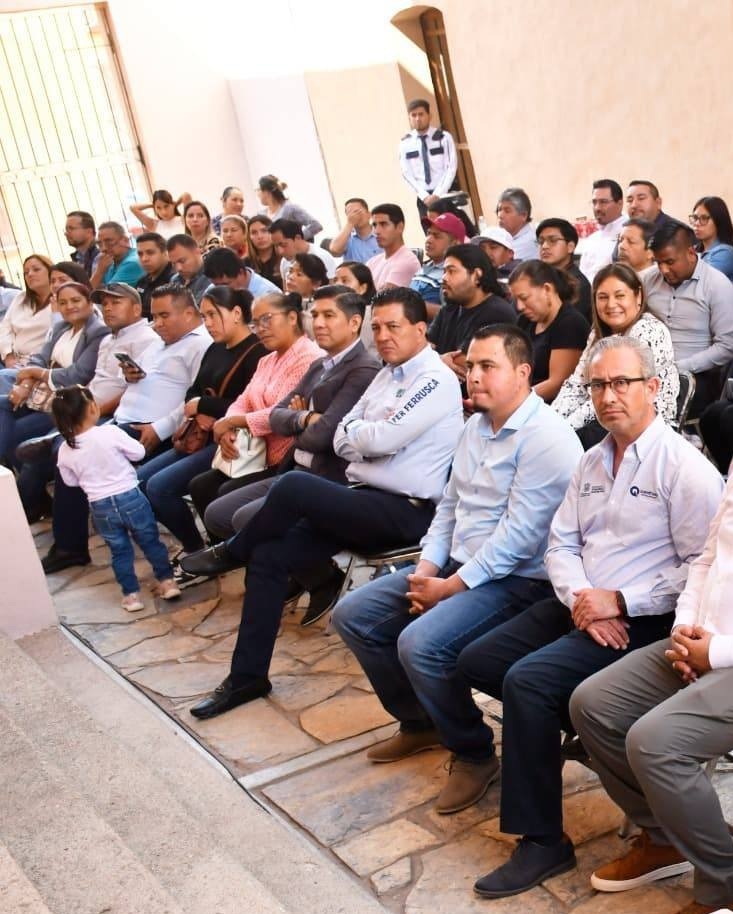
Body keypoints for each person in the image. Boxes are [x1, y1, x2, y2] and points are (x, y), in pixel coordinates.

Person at [456, 336, 722, 900]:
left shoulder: (684, 469)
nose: (608, 396)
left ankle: (541, 839)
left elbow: (698, 567)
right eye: (597, 385)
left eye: (622, 383)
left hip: (645, 618)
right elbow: (561, 543)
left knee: (528, 684)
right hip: (582, 605)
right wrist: (584, 600)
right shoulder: (592, 460)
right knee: (477, 660)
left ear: (653, 387)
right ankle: (575, 739)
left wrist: (619, 601)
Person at [180, 287, 464, 718]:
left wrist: (364, 437)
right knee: (269, 556)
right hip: (363, 499)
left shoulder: (434, 379)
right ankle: (247, 677)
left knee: (294, 486)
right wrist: (365, 437)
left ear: (421, 329)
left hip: (406, 511)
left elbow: (373, 438)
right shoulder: (387, 374)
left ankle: (231, 552)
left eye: (393, 327)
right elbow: (343, 435)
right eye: (377, 328)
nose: (383, 336)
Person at [333, 323, 582, 812]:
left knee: (421, 645)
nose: (474, 376)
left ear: (523, 372)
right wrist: (427, 570)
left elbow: (519, 539)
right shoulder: (475, 427)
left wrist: (449, 588)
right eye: (471, 366)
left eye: (489, 366)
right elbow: (449, 506)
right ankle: (421, 721)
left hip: (518, 581)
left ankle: (473, 752)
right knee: (354, 616)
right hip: (457, 564)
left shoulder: (547, 437)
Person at [570, 477, 733, 914]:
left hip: (724, 652)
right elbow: (709, 556)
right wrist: (684, 630)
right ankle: (667, 839)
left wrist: (715, 652)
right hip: (702, 637)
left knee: (656, 742)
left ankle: (724, 883)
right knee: (593, 705)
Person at [202, 286, 380, 598]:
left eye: (329, 315)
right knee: (217, 514)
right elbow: (276, 416)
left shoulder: (362, 369)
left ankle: (308, 577)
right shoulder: (320, 365)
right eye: (316, 314)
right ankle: (308, 573)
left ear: (354, 323)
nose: (319, 323)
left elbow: (323, 436)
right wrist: (304, 418)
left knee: (246, 519)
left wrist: (296, 422)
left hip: (326, 477)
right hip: (293, 468)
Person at [40, 284, 211, 574]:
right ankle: (74, 538)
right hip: (122, 420)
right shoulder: (159, 342)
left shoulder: (199, 345)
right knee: (70, 450)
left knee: (78, 451)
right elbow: (144, 381)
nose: (157, 324)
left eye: (165, 316)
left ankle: (71, 546)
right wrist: (131, 376)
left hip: (152, 429)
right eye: (155, 316)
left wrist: (158, 429)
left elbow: (193, 400)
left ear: (188, 313)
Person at [137, 286, 267, 572]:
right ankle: (196, 545)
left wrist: (207, 407)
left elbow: (251, 403)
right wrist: (199, 407)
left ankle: (202, 549)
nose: (207, 323)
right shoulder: (215, 348)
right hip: (198, 435)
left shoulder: (257, 352)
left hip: (231, 439)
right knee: (141, 481)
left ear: (236, 313)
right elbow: (192, 392)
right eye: (204, 315)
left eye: (213, 315)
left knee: (160, 487)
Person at [14, 282, 158, 519]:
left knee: (66, 450)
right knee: (37, 455)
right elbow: (95, 381)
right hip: (87, 408)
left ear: (136, 309)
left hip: (111, 414)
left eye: (116, 302)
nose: (108, 308)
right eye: (105, 303)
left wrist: (93, 411)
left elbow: (134, 389)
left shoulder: (146, 339)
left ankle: (65, 536)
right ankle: (23, 513)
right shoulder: (108, 339)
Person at [186, 291, 324, 525]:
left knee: (224, 495)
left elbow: (279, 415)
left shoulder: (309, 358)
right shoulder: (266, 360)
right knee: (200, 486)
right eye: (256, 323)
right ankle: (220, 546)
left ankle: (242, 546)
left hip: (284, 457)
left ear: (292, 318)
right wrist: (228, 427)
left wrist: (232, 422)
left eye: (267, 319)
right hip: (253, 451)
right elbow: (243, 401)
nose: (260, 329)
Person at [53, 385, 180, 610]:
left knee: (119, 551)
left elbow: (70, 482)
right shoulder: (110, 432)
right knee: (150, 541)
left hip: (100, 507)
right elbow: (139, 453)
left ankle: (131, 596)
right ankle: (167, 582)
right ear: (92, 408)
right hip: (130, 497)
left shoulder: (65, 449)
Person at [0, 281, 110, 495]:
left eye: (76, 300)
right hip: (41, 395)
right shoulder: (61, 327)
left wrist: (36, 373)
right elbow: (40, 358)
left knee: (16, 432)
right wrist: (26, 383)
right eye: (63, 302)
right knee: (2, 404)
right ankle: (17, 482)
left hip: (67, 402)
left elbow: (78, 374)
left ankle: (27, 494)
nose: (70, 306)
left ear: (89, 303)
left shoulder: (97, 331)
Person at [554, 263, 679, 448]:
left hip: (642, 423)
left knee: (571, 442)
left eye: (620, 296)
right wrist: (552, 422)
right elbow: (576, 385)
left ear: (638, 296)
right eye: (603, 297)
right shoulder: (597, 334)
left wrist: (565, 429)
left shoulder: (649, 330)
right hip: (605, 413)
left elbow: (612, 393)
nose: (611, 304)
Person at [643, 221, 733, 413]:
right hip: (645, 370)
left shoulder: (717, 285)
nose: (663, 270)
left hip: (694, 376)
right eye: (658, 262)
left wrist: (679, 367)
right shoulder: (648, 279)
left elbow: (727, 346)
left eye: (669, 262)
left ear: (691, 253)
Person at [429, 244, 515, 385]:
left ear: (476, 275)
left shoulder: (497, 313)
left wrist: (431, 359)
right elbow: (423, 347)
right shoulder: (450, 307)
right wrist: (440, 360)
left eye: (451, 271)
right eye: (444, 271)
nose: (443, 278)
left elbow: (463, 363)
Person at [511, 260, 589, 402]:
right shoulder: (524, 321)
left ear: (547, 289)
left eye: (524, 298)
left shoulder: (570, 323)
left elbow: (557, 384)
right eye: (516, 300)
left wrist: (512, 401)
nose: (519, 306)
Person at [398, 98, 457, 222]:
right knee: (431, 231)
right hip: (423, 199)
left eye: (421, 114)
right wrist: (424, 196)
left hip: (444, 194)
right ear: (409, 118)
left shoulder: (444, 138)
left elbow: (451, 167)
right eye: (413, 115)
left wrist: (438, 194)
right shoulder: (405, 143)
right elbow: (406, 174)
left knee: (451, 229)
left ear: (429, 116)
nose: (417, 119)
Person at [0, 255, 53, 367]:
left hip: (41, 363)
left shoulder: (61, 300)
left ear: (50, 271)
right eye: (26, 272)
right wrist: (8, 355)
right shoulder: (20, 298)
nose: (30, 274)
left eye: (36, 269)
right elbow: (5, 328)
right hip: (13, 361)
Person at [410, 212, 466, 318]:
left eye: (436, 236)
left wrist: (409, 306)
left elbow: (455, 316)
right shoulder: (424, 267)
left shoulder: (457, 274)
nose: (429, 240)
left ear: (455, 243)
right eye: (428, 233)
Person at [535, 218, 592, 322]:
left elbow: (567, 322)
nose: (544, 246)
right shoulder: (538, 277)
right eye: (541, 241)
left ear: (570, 247)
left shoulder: (578, 284)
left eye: (553, 240)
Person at [578, 179, 626, 283]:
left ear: (620, 203)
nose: (597, 208)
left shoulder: (628, 234)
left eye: (603, 202)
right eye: (594, 202)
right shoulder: (592, 239)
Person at [366, 204, 421, 291]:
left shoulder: (407, 261)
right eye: (374, 225)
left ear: (400, 227)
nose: (376, 231)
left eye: (383, 224)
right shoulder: (372, 262)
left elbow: (383, 297)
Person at [256, 175, 322, 241]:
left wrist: (296, 240)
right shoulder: (261, 214)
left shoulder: (290, 208)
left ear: (267, 192)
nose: (257, 194)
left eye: (258, 190)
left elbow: (316, 225)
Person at [335, 261, 379, 359]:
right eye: (335, 280)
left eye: (345, 281)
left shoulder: (368, 314)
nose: (337, 284)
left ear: (362, 288)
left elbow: (350, 351)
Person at [270, 218, 336, 282]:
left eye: (283, 245)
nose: (280, 252)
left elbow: (331, 287)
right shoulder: (285, 261)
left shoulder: (322, 257)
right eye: (275, 246)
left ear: (298, 238)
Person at [202, 247, 279, 298]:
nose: (221, 290)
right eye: (216, 285)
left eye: (226, 284)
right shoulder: (211, 291)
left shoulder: (268, 295)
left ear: (241, 273)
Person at [690, 195, 733, 282]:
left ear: (718, 221)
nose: (697, 223)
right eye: (695, 218)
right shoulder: (695, 249)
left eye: (704, 218)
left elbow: (699, 281)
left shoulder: (725, 252)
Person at [285, 253, 328, 338]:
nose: (291, 277)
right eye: (290, 271)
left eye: (299, 274)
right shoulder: (281, 301)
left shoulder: (319, 311)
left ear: (316, 284)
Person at [91, 222, 145, 289]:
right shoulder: (110, 262)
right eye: (99, 244)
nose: (103, 248)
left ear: (125, 240)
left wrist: (99, 272)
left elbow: (107, 294)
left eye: (109, 241)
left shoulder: (132, 263)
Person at [135, 232, 174, 319]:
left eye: (150, 253)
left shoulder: (174, 280)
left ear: (165, 253)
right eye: (140, 254)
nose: (144, 259)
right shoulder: (141, 282)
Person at [328, 198, 381, 262]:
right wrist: (350, 224)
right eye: (350, 214)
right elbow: (334, 251)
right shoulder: (346, 237)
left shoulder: (380, 234)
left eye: (357, 212)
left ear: (369, 215)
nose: (355, 216)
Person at [470, 227, 521, 293]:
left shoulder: (519, 276)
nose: (487, 253)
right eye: (482, 248)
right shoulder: (478, 274)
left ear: (510, 253)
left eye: (493, 247)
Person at [166, 234, 211, 305]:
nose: (178, 268)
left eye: (182, 261)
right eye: (174, 263)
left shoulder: (212, 277)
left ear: (197, 252)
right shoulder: (175, 280)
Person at [496, 188, 538, 260]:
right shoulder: (506, 237)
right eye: (499, 210)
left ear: (524, 215)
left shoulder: (529, 241)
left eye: (507, 211)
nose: (500, 215)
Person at [246, 215, 282, 289]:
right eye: (254, 233)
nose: (260, 236)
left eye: (264, 231)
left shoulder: (284, 260)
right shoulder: (245, 264)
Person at [64, 211, 99, 278]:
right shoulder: (76, 260)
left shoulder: (102, 256)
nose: (66, 233)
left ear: (89, 231)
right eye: (66, 229)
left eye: (71, 228)